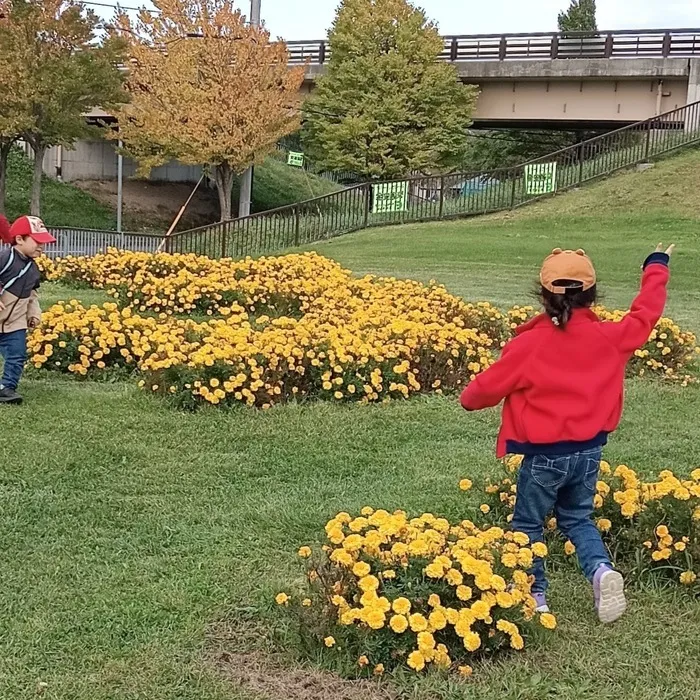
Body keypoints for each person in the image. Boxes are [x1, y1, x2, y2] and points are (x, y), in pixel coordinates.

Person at [460, 244, 674, 623]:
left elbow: (477, 395)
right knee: (578, 518)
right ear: (592, 295)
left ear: (543, 294)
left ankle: (535, 596)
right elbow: (646, 315)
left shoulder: (528, 345)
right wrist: (655, 267)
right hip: (589, 451)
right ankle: (600, 571)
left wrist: (472, 397)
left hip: (544, 456)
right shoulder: (611, 337)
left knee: (528, 524)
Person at [0, 215, 57, 405]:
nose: (42, 247)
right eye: (37, 242)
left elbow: (32, 294)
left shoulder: (33, 269)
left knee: (17, 354)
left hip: (15, 322)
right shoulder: (5, 258)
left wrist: (34, 314)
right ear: (19, 239)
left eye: (44, 242)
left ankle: (7, 388)